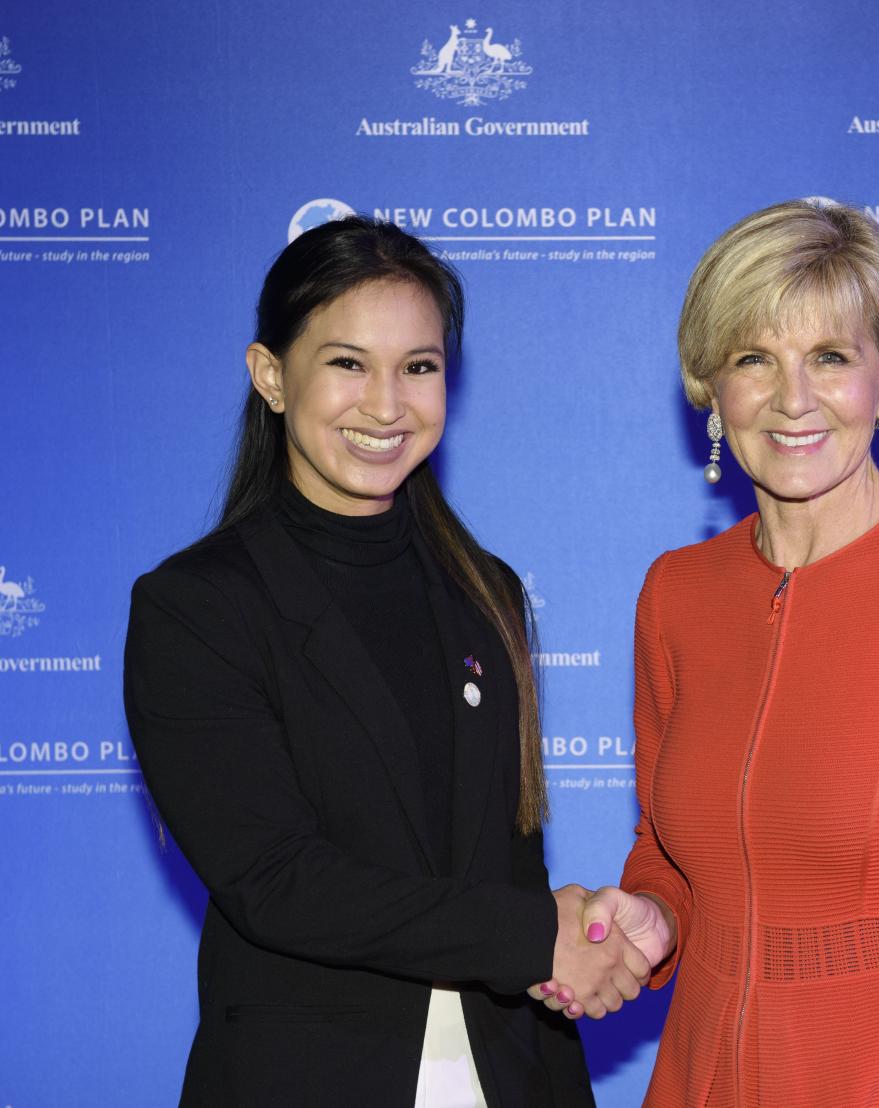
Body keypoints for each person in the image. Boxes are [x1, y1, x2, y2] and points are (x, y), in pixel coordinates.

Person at [534, 200, 879, 1105]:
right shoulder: (676, 593)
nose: (792, 397)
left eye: (831, 357)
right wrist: (651, 919)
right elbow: (672, 853)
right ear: (709, 385)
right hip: (699, 1080)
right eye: (754, 358)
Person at [124, 215, 650, 1107]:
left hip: (507, 1070)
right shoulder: (197, 606)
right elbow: (278, 882)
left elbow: (511, 863)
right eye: (346, 363)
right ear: (271, 377)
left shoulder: (487, 590)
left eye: (419, 366)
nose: (386, 404)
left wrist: (565, 957)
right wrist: (531, 939)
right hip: (308, 1077)